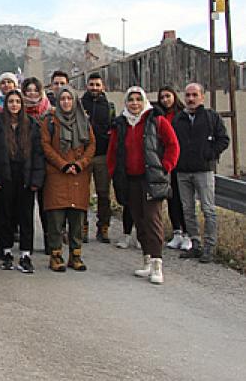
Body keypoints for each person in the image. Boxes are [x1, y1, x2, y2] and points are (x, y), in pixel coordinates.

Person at [107, 87, 179, 284]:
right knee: (138, 219)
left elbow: (173, 145)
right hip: (130, 180)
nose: (135, 103)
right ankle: (147, 260)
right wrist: (114, 172)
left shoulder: (156, 120)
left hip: (151, 179)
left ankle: (157, 263)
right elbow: (112, 152)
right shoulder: (120, 124)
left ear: (145, 101)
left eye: (139, 99)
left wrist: (165, 167)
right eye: (131, 100)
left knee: (152, 220)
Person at [172, 83, 230, 263]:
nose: (190, 99)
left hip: (203, 171)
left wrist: (210, 155)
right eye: (188, 95)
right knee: (187, 210)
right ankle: (195, 244)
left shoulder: (211, 117)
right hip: (183, 171)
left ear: (202, 97)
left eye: (194, 95)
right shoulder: (178, 119)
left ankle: (209, 247)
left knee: (208, 209)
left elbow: (224, 139)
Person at [41, 87, 95, 272]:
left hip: (79, 175)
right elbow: (46, 145)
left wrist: (80, 163)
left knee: (77, 218)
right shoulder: (49, 121)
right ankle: (56, 255)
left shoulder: (84, 121)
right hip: (57, 174)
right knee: (56, 219)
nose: (65, 102)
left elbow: (91, 145)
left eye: (68, 99)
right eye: (62, 99)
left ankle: (76, 255)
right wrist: (63, 164)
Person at [0, 90, 45, 273]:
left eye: (17, 101)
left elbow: (38, 154)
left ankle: (25, 254)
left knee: (26, 216)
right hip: (5, 175)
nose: (14, 105)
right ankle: (6, 251)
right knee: (5, 215)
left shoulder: (31, 125)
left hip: (26, 176)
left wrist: (36, 180)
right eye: (11, 101)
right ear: (5, 104)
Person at [80, 73, 115, 244]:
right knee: (82, 194)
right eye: (91, 84)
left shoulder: (109, 107)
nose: (94, 88)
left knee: (103, 193)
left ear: (103, 87)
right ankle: (82, 227)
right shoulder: (79, 104)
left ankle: (103, 228)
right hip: (84, 155)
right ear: (87, 86)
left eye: (97, 85)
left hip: (102, 155)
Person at [155, 86, 190, 251]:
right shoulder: (158, 115)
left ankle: (188, 233)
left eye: (168, 96)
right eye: (162, 97)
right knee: (172, 199)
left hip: (181, 163)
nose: (165, 100)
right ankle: (176, 232)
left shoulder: (182, 115)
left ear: (174, 97)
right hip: (166, 163)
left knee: (185, 200)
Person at [21, 77, 53, 252]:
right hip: (26, 165)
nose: (32, 93)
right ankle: (27, 245)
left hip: (47, 165)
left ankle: (50, 242)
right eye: (28, 90)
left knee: (46, 206)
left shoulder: (50, 112)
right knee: (26, 208)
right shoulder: (19, 113)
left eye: (35, 90)